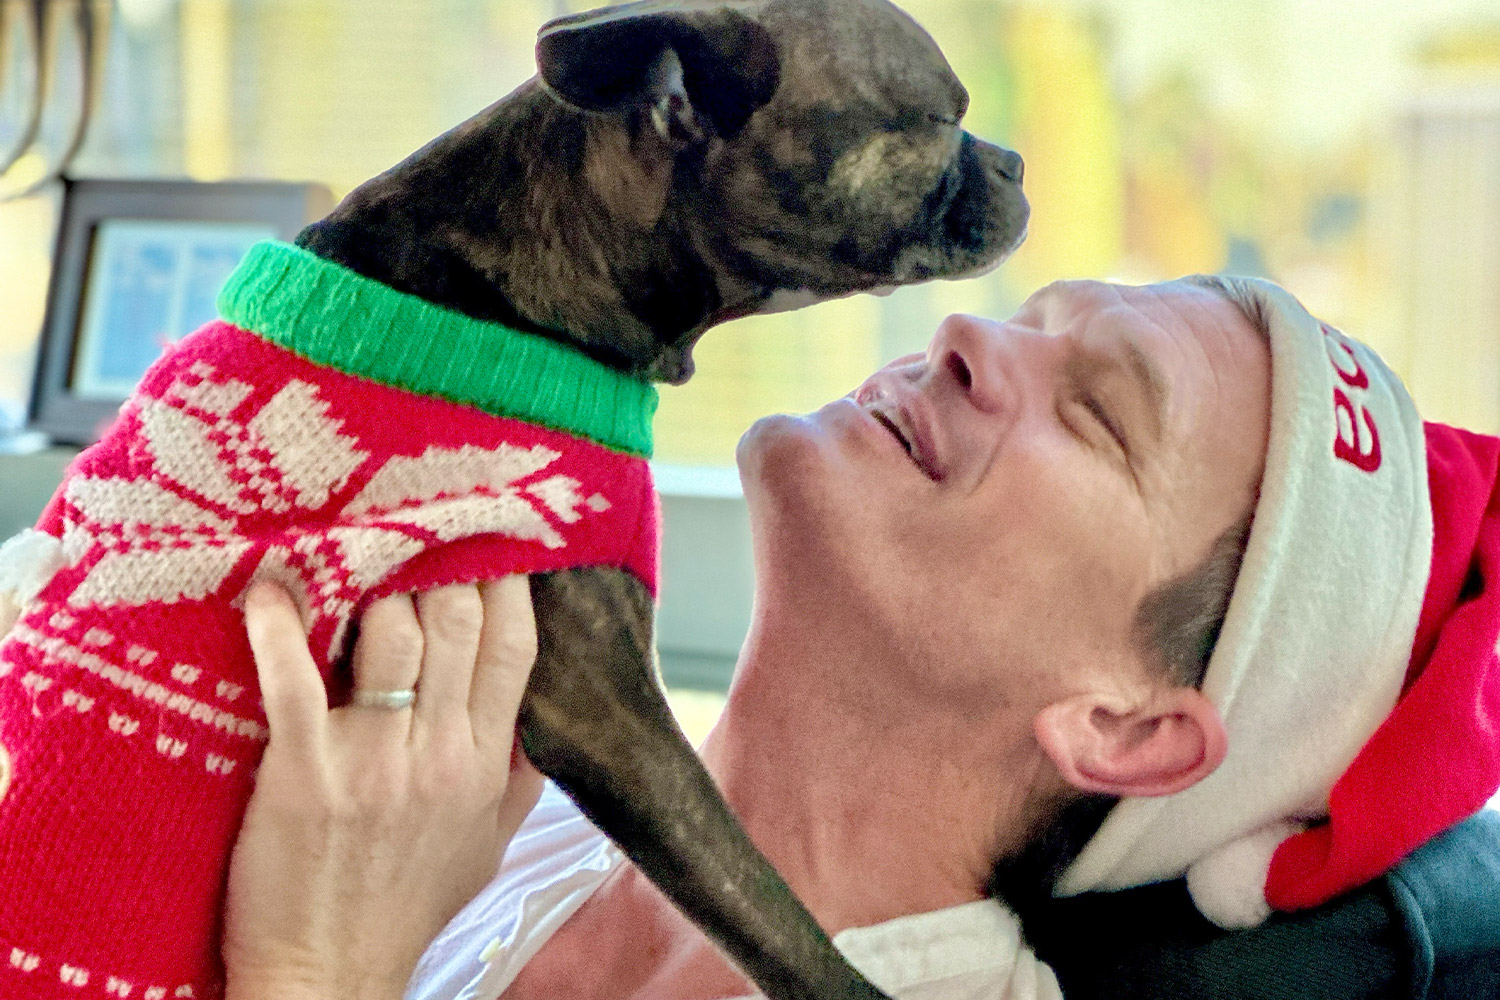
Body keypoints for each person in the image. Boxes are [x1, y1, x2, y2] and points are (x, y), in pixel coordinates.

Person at [11, 276, 1496, 997]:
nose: (974, 340)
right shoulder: (491, 796)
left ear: (1125, 725)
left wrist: (315, 969)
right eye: (1039, 318)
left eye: (1099, 413)